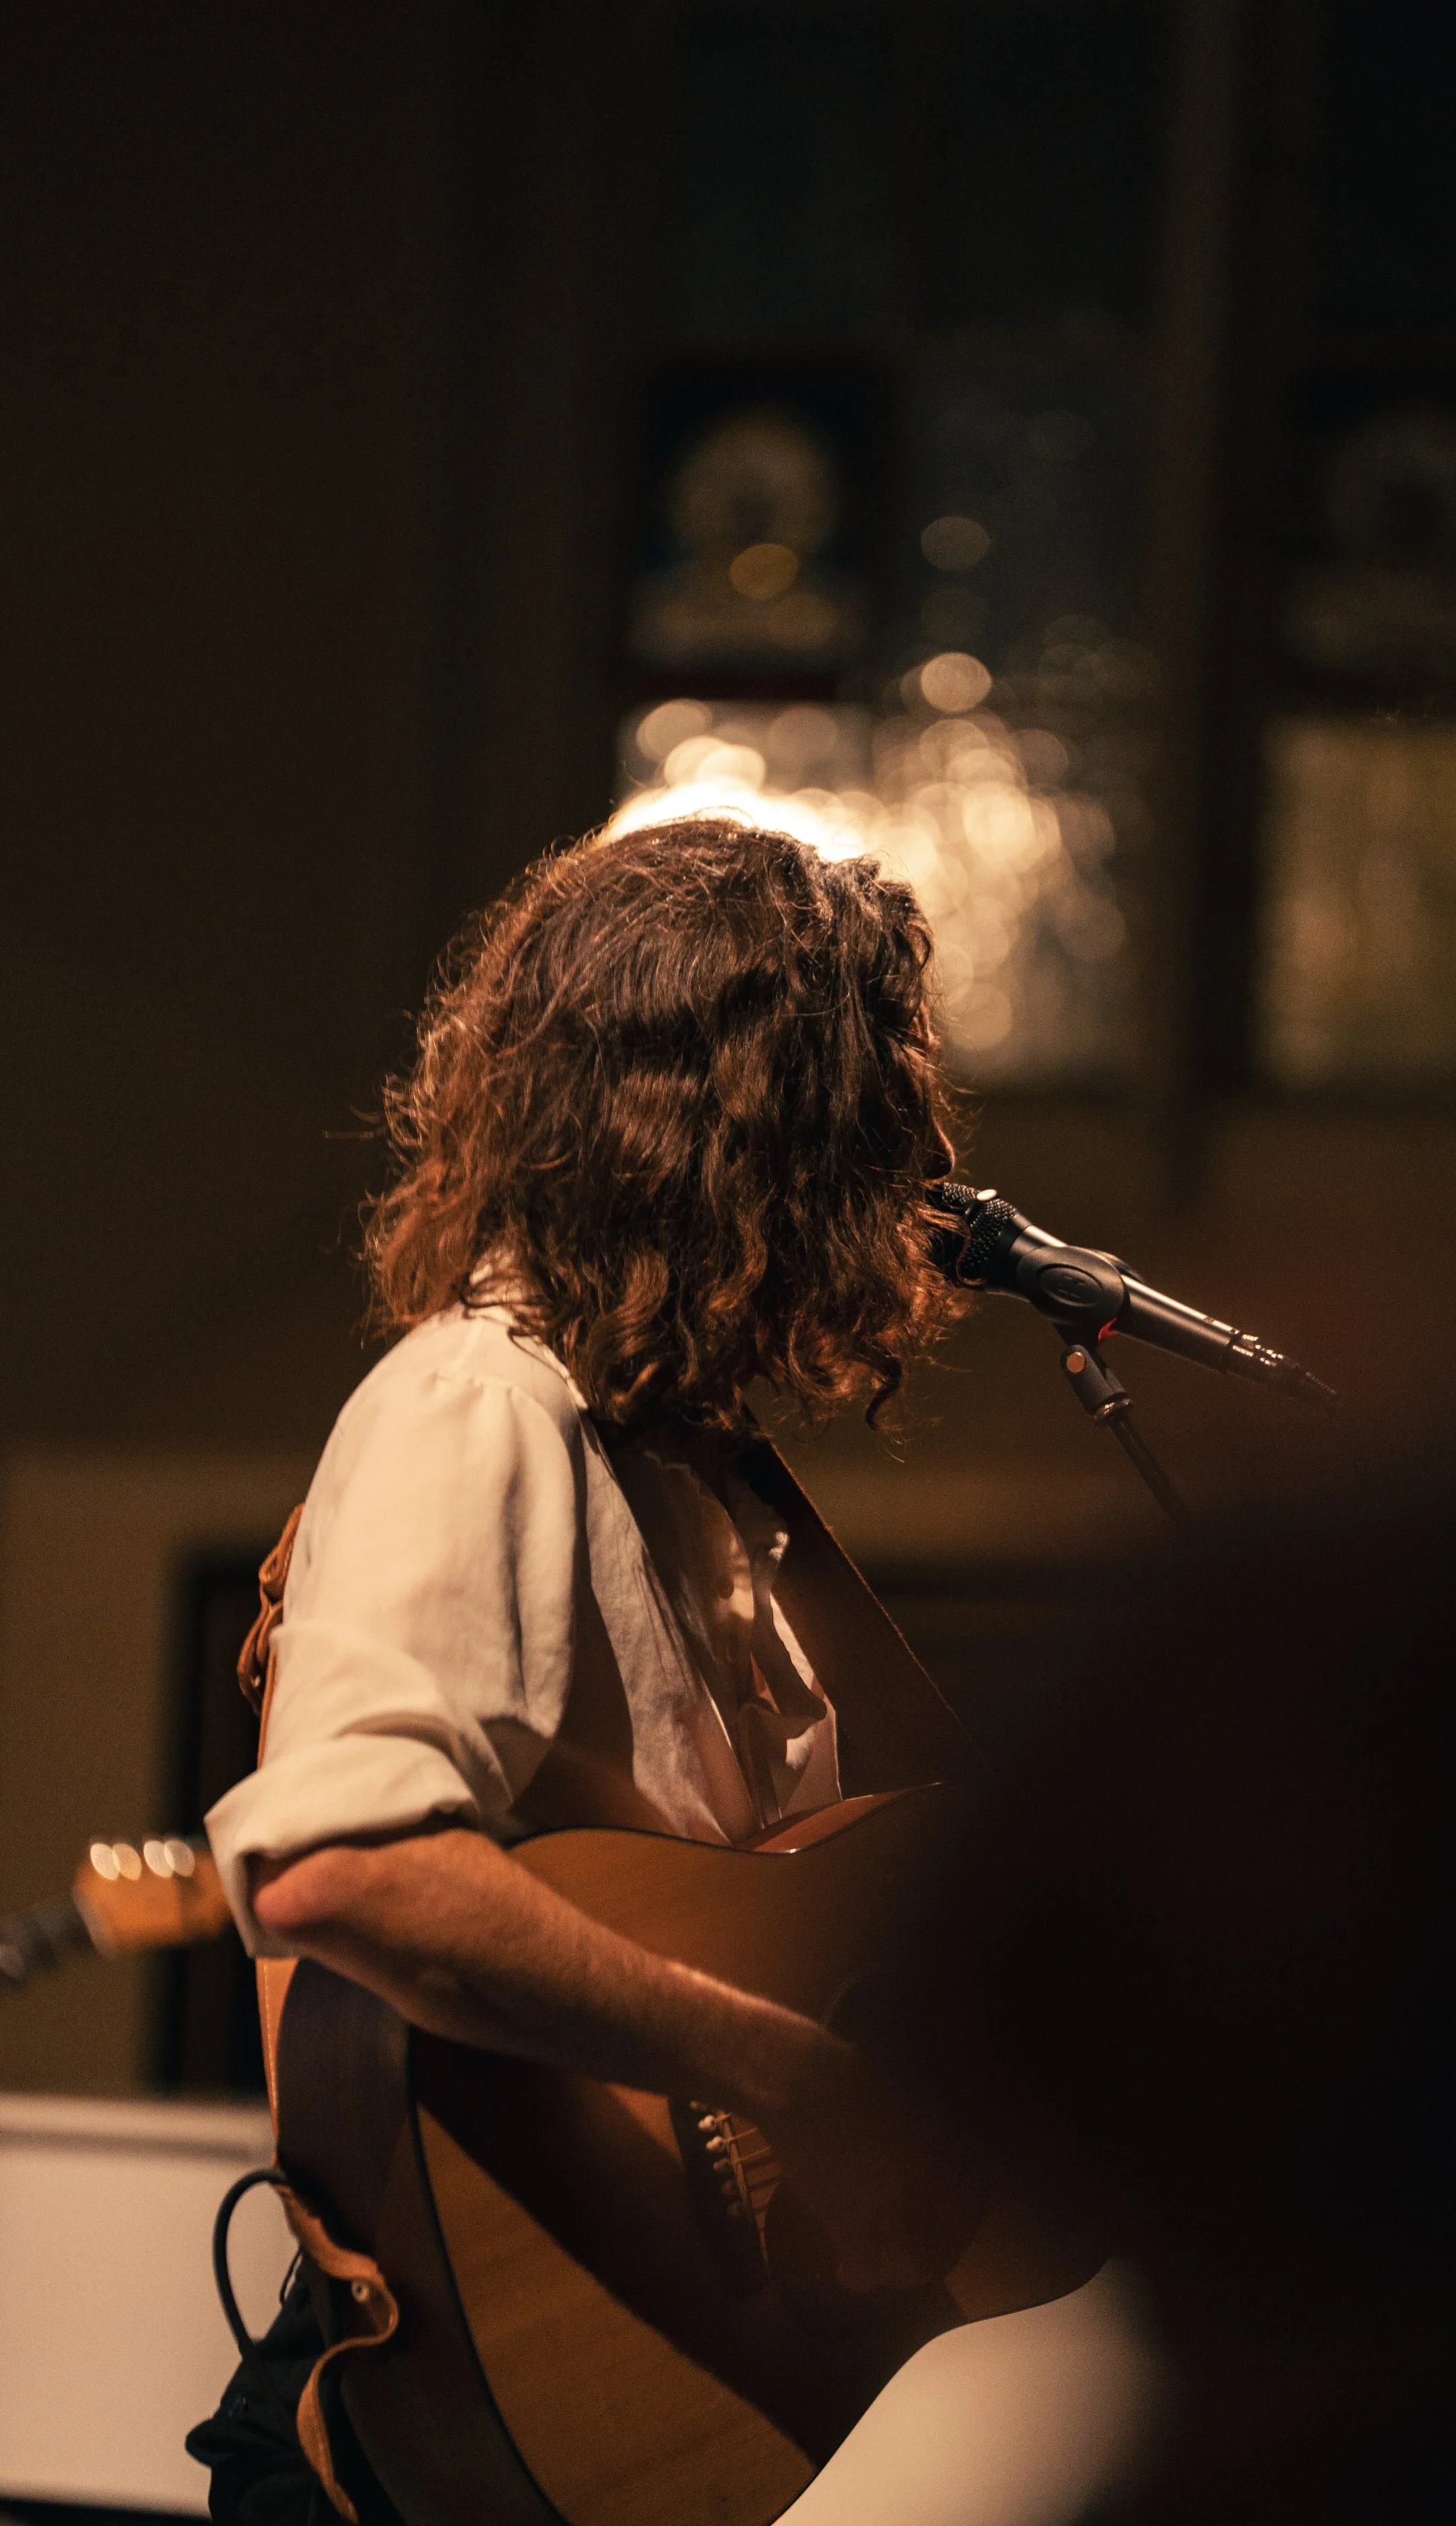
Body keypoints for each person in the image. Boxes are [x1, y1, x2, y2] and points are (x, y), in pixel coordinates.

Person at [189, 815, 987, 2522]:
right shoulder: (480, 1404)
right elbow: (341, 1863)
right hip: (476, 2386)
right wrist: (795, 2083)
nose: (900, 1185)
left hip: (706, 2375)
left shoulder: (690, 1465)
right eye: (864, 1131)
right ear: (747, 1135)